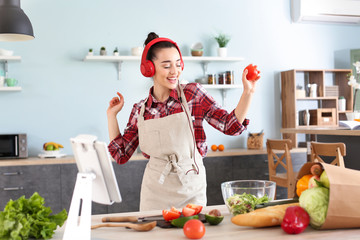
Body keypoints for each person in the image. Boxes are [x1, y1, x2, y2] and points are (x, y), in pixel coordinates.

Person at [107, 32, 258, 211]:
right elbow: (121, 154)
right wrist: (112, 116)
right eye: (167, 66)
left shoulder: (193, 94)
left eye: (178, 64)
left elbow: (229, 125)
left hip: (190, 190)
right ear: (149, 68)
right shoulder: (140, 110)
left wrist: (248, 93)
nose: (175, 71)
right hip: (153, 194)